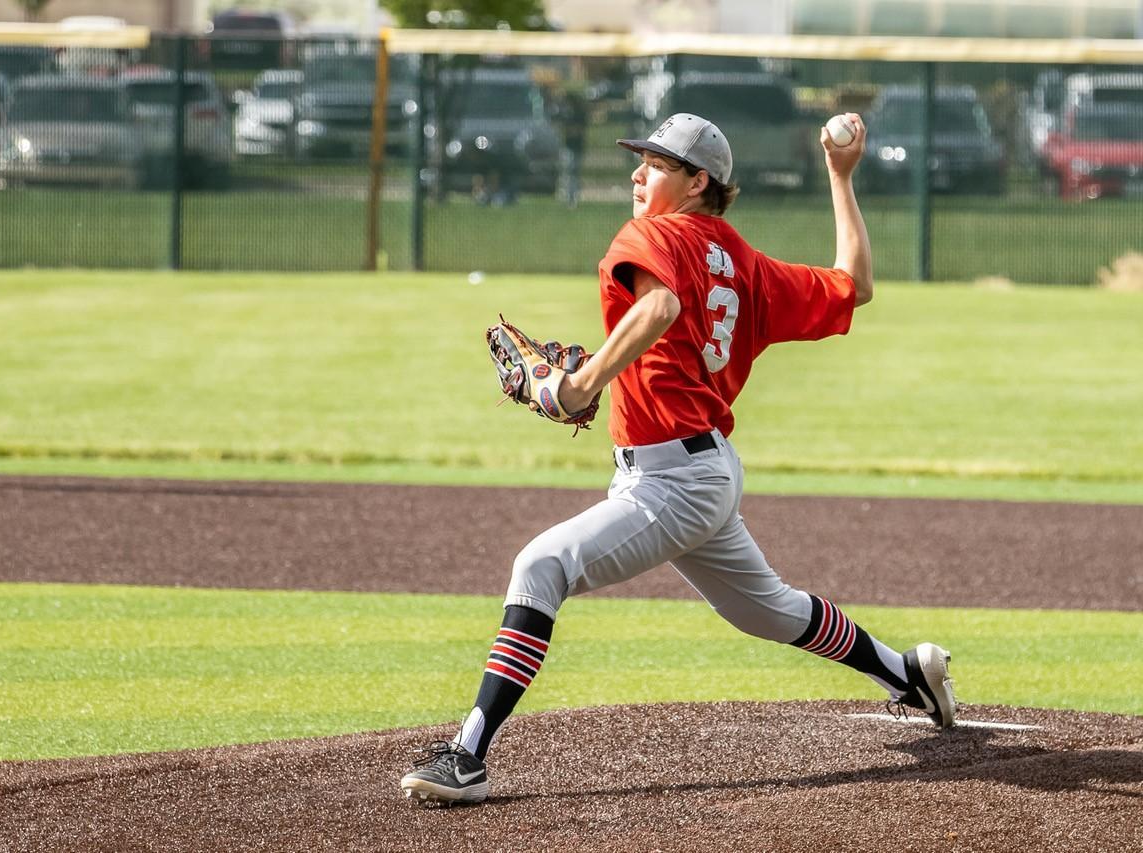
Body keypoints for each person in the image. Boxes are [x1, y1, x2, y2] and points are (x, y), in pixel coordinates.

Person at [399, 112, 956, 806]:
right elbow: (856, 284)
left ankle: (467, 757)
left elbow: (660, 305)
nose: (638, 175)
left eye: (657, 165)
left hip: (672, 481)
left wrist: (578, 384)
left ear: (697, 183)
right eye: (640, 161)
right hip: (704, 470)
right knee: (768, 611)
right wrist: (841, 178)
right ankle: (907, 673)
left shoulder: (653, 235)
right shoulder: (747, 264)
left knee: (541, 566)